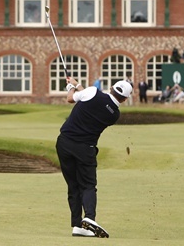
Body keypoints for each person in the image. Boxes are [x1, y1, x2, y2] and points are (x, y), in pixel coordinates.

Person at [56, 76, 132, 238]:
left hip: (64, 143)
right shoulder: (114, 115)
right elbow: (93, 101)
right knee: (88, 185)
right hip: (85, 149)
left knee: (73, 185)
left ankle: (77, 225)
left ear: (111, 87)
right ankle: (89, 217)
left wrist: (70, 87)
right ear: (125, 99)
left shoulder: (92, 92)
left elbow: (71, 98)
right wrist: (77, 85)